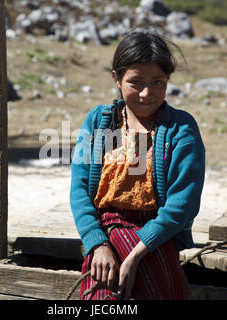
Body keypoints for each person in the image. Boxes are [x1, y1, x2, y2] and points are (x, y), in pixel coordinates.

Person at [70, 31, 206, 300]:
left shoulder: (181, 129)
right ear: (116, 79)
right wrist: (97, 245)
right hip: (103, 229)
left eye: (158, 82)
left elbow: (183, 203)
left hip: (157, 234)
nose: (147, 93)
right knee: (104, 285)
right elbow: (80, 190)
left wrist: (136, 253)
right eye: (136, 82)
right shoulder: (99, 123)